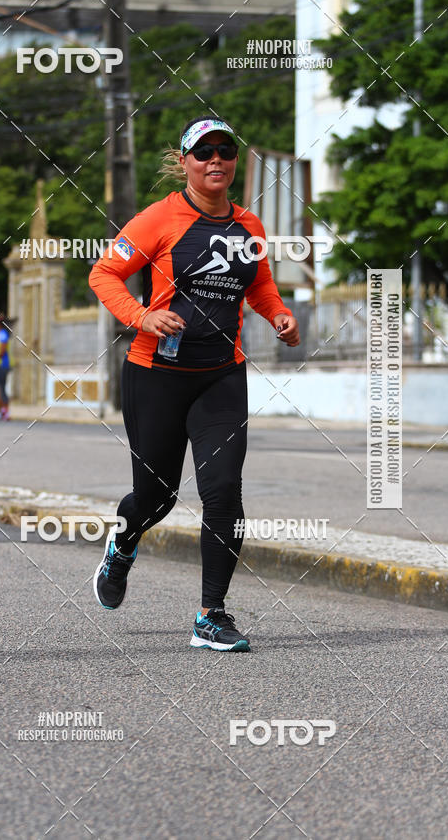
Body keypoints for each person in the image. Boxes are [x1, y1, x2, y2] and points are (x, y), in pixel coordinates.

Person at [89, 116, 300, 652]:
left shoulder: (249, 225)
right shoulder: (158, 219)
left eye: (225, 152)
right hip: (156, 374)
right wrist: (141, 317)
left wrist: (278, 315)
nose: (215, 161)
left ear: (234, 161)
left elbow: (261, 287)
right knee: (156, 496)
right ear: (183, 161)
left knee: (224, 491)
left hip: (221, 376)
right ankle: (124, 541)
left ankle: (212, 615)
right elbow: (103, 275)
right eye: (203, 152)